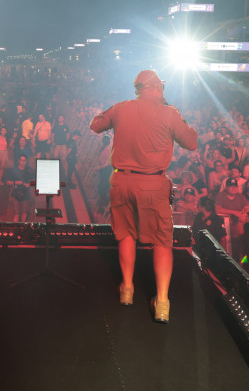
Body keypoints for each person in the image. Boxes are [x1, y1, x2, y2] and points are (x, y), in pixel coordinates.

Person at [90, 69, 198, 323]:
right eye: (161, 86)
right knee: (162, 242)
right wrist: (176, 117)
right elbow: (191, 142)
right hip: (152, 184)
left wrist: (111, 114)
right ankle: (162, 303)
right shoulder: (169, 113)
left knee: (126, 234)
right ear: (156, 87)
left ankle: (126, 289)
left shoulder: (121, 107)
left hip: (121, 180)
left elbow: (96, 124)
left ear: (138, 89)